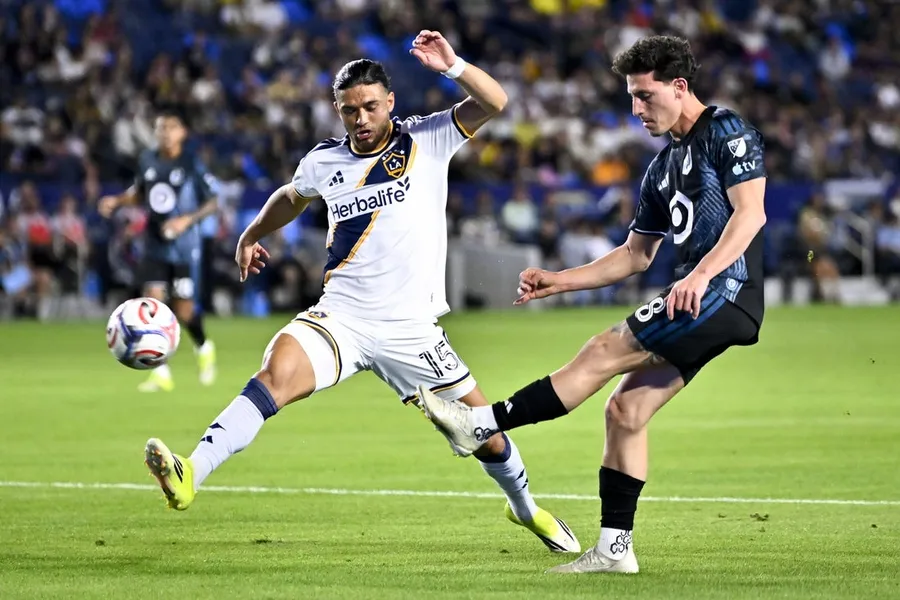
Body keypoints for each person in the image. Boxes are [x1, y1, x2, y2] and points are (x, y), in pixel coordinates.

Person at [141, 31, 580, 555]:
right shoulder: (324, 160)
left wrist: (453, 66)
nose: (362, 119)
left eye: (371, 106)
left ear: (390, 102)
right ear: (338, 111)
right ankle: (190, 473)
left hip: (411, 330)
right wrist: (251, 233)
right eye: (350, 111)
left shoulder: (428, 138)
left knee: (485, 435)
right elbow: (292, 196)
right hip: (341, 318)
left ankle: (526, 510)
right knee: (274, 373)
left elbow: (496, 101)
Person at [419, 35, 768, 574]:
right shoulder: (661, 168)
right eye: (631, 97)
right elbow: (635, 256)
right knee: (625, 412)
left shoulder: (726, 130)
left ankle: (481, 423)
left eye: (645, 95)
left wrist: (700, 274)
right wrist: (559, 281)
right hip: (702, 294)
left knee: (604, 349)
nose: (636, 109)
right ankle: (614, 551)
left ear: (679, 87)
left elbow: (751, 214)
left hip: (725, 290)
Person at [100, 108, 219, 392]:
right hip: (154, 243)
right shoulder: (148, 159)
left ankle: (204, 347)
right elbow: (140, 192)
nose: (165, 133)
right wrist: (117, 201)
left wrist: (185, 220)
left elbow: (212, 201)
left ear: (182, 133)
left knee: (184, 310)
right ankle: (161, 372)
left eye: (171, 127)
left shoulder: (191, 163)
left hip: (183, 247)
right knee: (153, 303)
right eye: (161, 128)